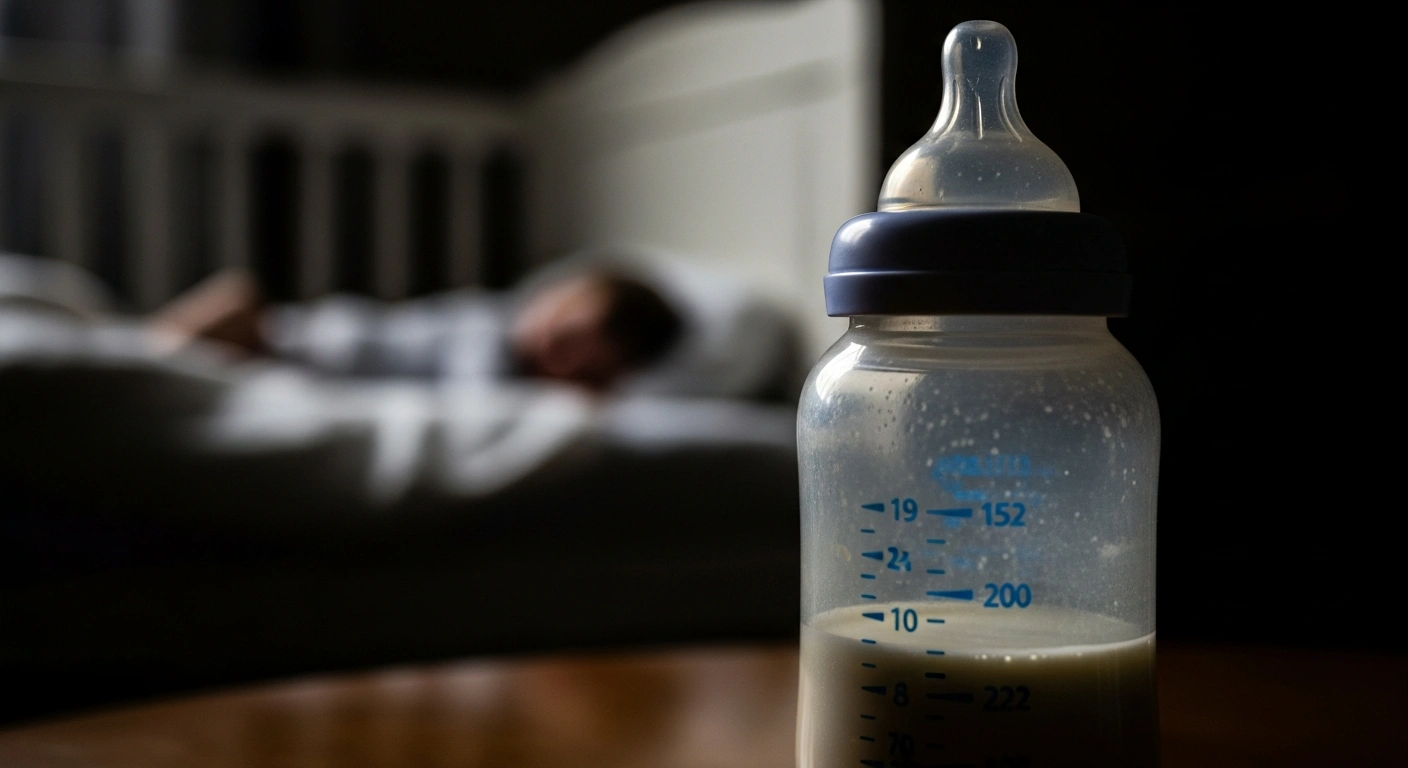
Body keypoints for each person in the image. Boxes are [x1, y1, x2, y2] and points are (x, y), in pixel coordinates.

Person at [151, 266, 686, 393]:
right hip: (307, 342)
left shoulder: (522, 372)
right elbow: (473, 392)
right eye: (564, 338)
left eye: (583, 370)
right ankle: (139, 353)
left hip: (309, 366)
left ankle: (143, 355)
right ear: (556, 293)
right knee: (237, 299)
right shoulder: (489, 328)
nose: (557, 360)